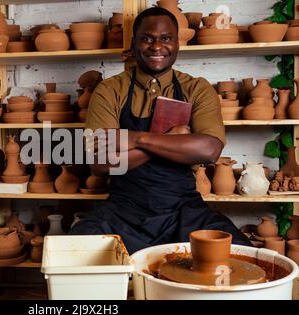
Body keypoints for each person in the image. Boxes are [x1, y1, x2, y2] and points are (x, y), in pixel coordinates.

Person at [69, 7, 251, 254]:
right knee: (77, 248)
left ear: (177, 43)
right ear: (135, 43)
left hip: (183, 209)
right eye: (147, 38)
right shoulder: (110, 90)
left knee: (238, 252)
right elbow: (100, 163)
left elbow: (209, 150)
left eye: (166, 38)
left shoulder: (196, 88)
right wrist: (171, 141)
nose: (157, 46)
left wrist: (137, 138)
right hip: (123, 209)